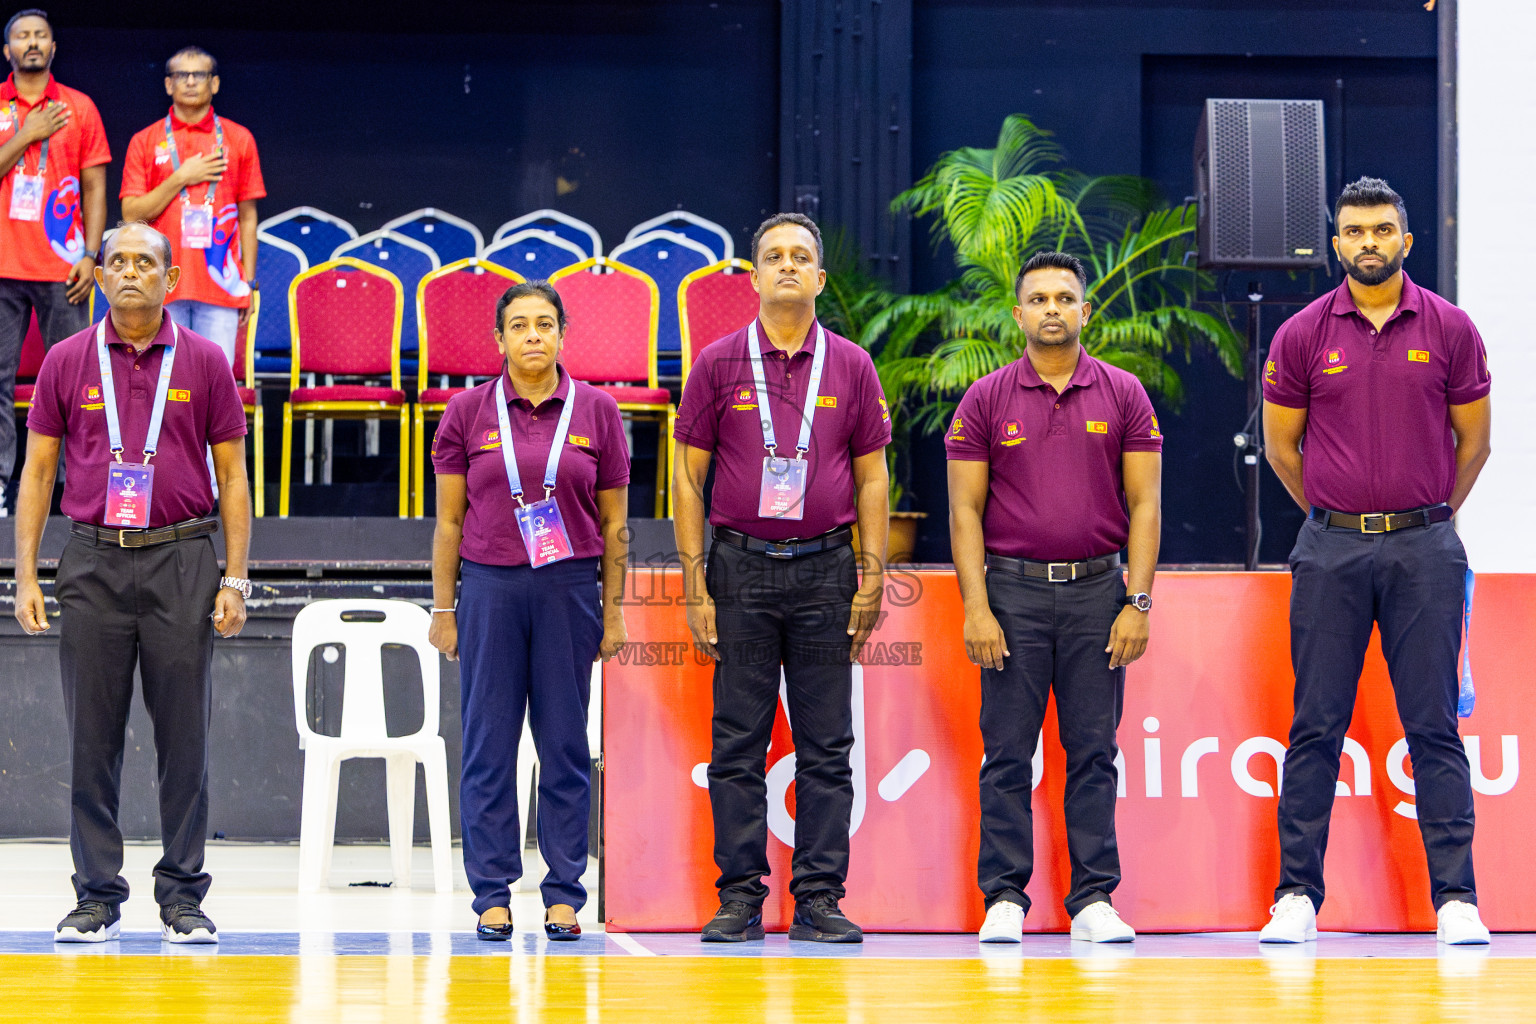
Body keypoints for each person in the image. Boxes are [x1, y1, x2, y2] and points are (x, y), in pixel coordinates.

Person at [1259, 177, 1493, 945]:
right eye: (1354, 231)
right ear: (1336, 244)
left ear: (1405, 240)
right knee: (1315, 725)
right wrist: (1337, 518)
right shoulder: (1300, 335)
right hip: (1330, 547)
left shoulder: (1452, 328)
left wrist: (1424, 518)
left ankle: (1456, 900)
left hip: (1426, 547)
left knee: (1432, 727)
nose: (1369, 242)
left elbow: (1475, 443)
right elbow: (1282, 450)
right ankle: (1296, 896)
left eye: (1382, 230)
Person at [12, 221, 252, 944]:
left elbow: (234, 475)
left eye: (145, 262)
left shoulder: (206, 360)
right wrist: (25, 571)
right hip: (92, 561)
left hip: (183, 558)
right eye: (115, 260)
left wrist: (236, 576)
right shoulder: (65, 358)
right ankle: (95, 896)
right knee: (92, 738)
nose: (128, 272)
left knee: (186, 740)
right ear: (102, 275)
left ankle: (182, 896)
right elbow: (39, 472)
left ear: (170, 280)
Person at [672, 212, 890, 944]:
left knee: (827, 742)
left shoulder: (853, 365)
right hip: (739, 569)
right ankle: (739, 897)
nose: (788, 266)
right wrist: (696, 579)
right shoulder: (717, 362)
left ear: (820, 279)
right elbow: (687, 476)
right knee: (738, 739)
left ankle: (820, 898)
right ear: (755, 276)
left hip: (829, 569)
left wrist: (872, 573)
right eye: (775, 256)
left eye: (802, 257)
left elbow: (871, 478)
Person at [946, 250, 1161, 944]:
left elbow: (1147, 503)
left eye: (1064, 298)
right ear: (1018, 314)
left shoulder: (1124, 393)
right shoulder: (985, 398)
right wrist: (976, 607)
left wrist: (1139, 601)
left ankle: (1094, 899)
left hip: (1100, 592)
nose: (1051, 309)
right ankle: (1005, 896)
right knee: (1008, 753)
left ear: (1084, 311)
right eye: (1037, 299)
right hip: (1011, 596)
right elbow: (965, 513)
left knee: (1093, 751)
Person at [428, 280, 628, 941]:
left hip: (569, 589)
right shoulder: (466, 411)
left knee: (566, 745)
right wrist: (443, 606)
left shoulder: (597, 411)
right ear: (500, 340)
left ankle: (565, 892)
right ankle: (492, 892)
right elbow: (450, 521)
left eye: (545, 324)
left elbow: (615, 524)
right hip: (489, 589)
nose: (533, 335)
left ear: (563, 335)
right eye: (520, 325)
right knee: (488, 746)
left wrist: (616, 612)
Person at [0, 8, 110, 512]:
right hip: (3, 266)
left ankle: (74, 486)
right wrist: (27, 132)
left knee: (73, 384)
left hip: (64, 270)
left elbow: (94, 186)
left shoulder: (79, 106)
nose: (32, 43)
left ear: (53, 47)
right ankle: (2, 484)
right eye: (22, 36)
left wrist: (92, 253)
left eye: (41, 36)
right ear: (8, 50)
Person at [121, 46, 264, 367]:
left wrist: (249, 282)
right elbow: (131, 214)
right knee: (162, 387)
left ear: (214, 84)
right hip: (159, 284)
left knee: (215, 388)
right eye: (180, 75)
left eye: (198, 75)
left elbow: (249, 218)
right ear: (168, 84)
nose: (190, 82)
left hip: (220, 286)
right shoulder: (144, 140)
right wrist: (182, 176)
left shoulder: (239, 139)